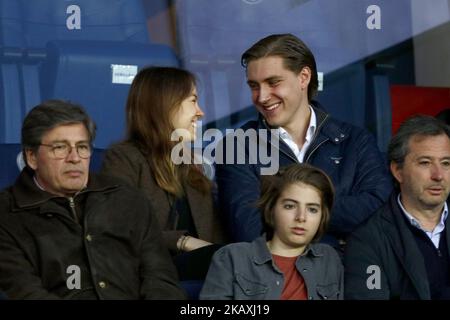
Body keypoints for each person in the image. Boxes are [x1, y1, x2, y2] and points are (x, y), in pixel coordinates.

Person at [215, 33, 393, 249]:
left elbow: (378, 212)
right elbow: (250, 233)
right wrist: (337, 235)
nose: (261, 97)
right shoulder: (237, 147)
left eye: (273, 82)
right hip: (275, 280)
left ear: (304, 77)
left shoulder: (355, 141)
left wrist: (282, 212)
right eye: (254, 85)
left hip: (346, 276)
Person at [0, 100, 186, 299]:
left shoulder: (126, 198)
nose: (75, 158)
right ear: (32, 157)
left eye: (82, 147)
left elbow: (160, 277)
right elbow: (25, 292)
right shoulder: (6, 214)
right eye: (60, 148)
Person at [101, 66, 226, 280]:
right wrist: (183, 241)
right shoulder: (124, 158)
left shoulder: (191, 165)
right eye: (193, 101)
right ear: (166, 105)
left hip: (203, 274)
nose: (200, 112)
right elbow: (119, 226)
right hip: (150, 273)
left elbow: (217, 234)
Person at [200, 163, 343, 300]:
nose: (301, 217)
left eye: (312, 209)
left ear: (322, 216)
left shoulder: (329, 259)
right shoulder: (232, 257)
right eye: (290, 206)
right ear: (271, 208)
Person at [344, 115, 450, 300]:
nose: (438, 175)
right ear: (398, 171)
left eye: (446, 163)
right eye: (425, 163)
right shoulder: (368, 242)